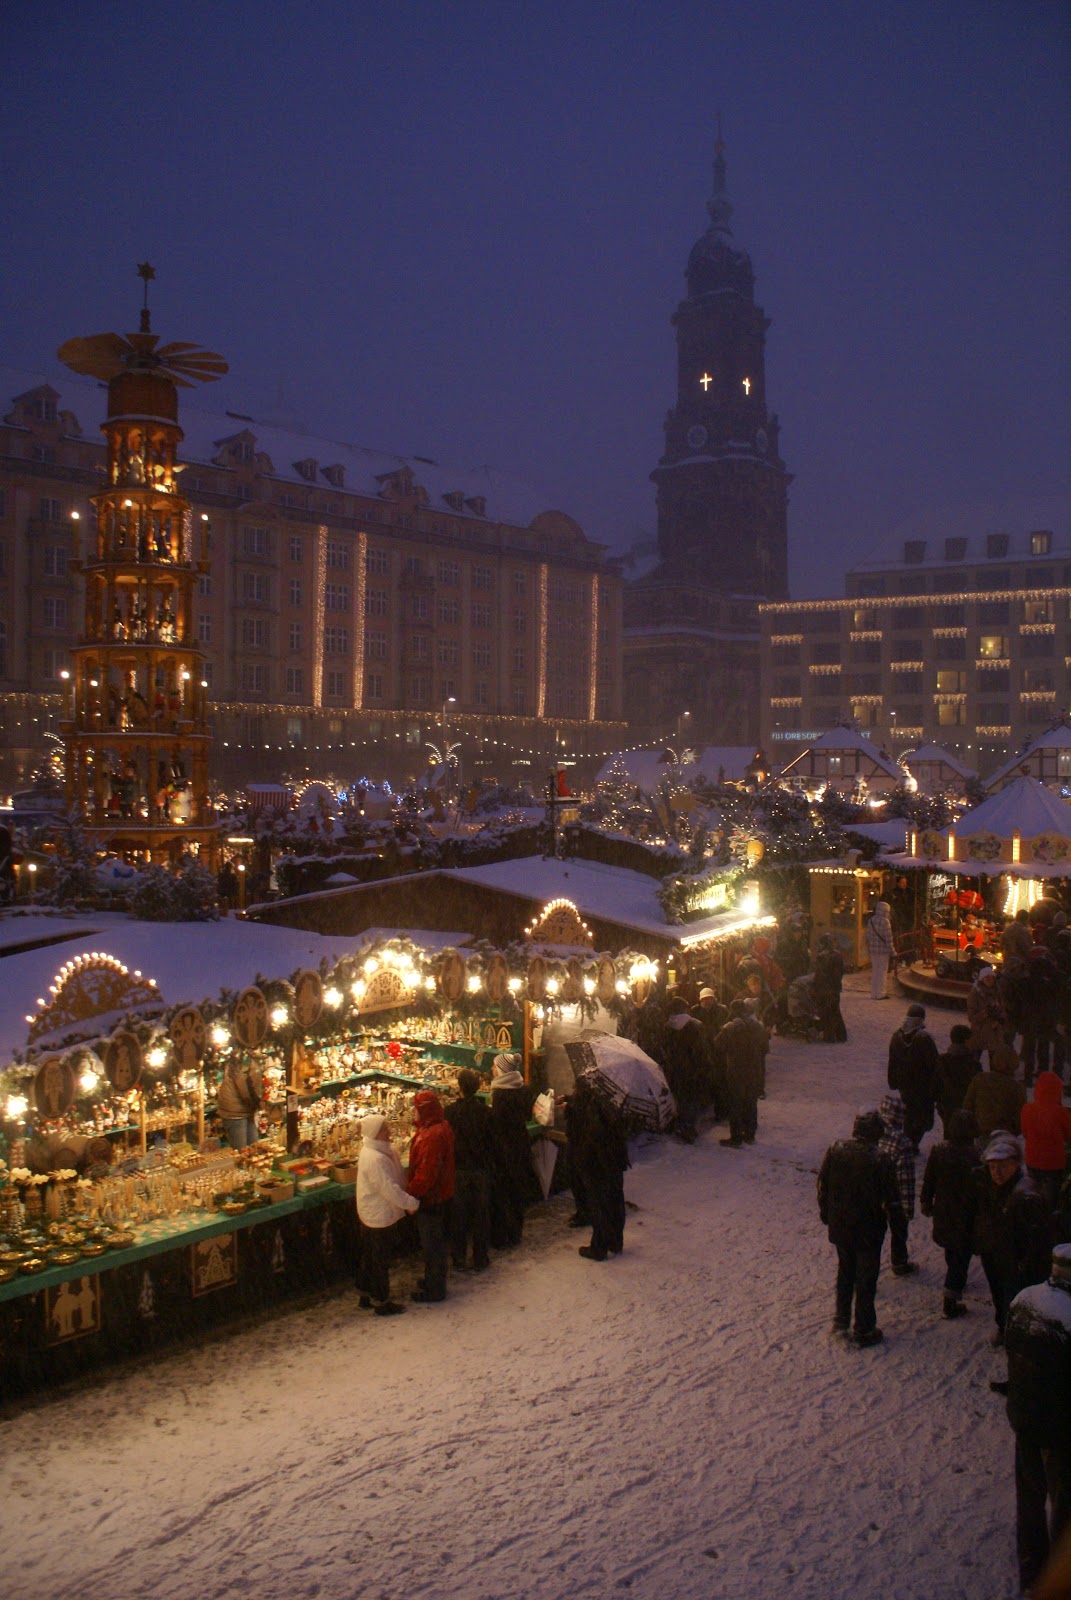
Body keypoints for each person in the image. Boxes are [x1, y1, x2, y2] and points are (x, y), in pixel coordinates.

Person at [1003, 1243, 1071, 1597]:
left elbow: (1010, 1348)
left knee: (1029, 1501)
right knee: (1064, 1510)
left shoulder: (1024, 1301)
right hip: (1062, 1436)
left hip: (1025, 1423)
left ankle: (1031, 1573)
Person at [817, 1108, 900, 1346]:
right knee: (866, 1278)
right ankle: (863, 1327)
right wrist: (897, 1229)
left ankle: (841, 1321)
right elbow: (892, 1199)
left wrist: (827, 1214)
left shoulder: (837, 1150)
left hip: (841, 1226)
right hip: (868, 1230)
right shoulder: (880, 1159)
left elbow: (823, 1184)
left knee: (845, 1272)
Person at [973, 1131, 1052, 1344]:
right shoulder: (987, 1186)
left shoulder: (1025, 1196)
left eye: (1003, 1166)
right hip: (994, 1252)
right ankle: (1004, 1327)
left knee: (1015, 1299)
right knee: (999, 1295)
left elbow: (1037, 1240)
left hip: (1014, 1260)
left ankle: (1016, 1338)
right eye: (992, 1167)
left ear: (1016, 1164)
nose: (996, 1172)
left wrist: (1024, 1265)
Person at [355, 1113, 419, 1316]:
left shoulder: (384, 1152)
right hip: (378, 1214)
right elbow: (388, 1188)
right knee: (379, 1260)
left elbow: (396, 1180)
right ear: (375, 1133)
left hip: (376, 1211)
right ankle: (381, 1300)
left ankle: (365, 1293)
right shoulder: (375, 1158)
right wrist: (410, 1203)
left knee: (371, 1257)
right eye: (384, 1129)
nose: (389, 1131)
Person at [920, 1108, 981, 1319]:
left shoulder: (939, 1151)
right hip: (966, 1214)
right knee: (961, 1253)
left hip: (945, 1211)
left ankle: (956, 1281)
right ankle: (951, 1297)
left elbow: (929, 1180)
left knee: (952, 1248)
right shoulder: (976, 1156)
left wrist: (926, 1201)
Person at [567, 1074, 629, 1261]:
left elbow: (581, 1131)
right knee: (614, 1198)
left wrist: (570, 1109)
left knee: (598, 1202)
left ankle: (599, 1247)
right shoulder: (611, 1098)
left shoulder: (589, 1107)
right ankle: (615, 1241)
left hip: (596, 1161)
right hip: (614, 1158)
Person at [405, 1089, 455, 1303]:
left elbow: (427, 1173)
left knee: (432, 1244)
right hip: (441, 1194)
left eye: (416, 1109)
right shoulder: (437, 1128)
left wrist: (411, 1195)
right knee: (435, 1243)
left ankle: (435, 1288)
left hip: (431, 1198)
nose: (413, 1113)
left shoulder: (431, 1136)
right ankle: (432, 1279)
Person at [444, 1068, 494, 1271]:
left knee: (459, 1216)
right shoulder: (485, 1112)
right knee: (481, 1215)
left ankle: (458, 1257)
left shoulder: (450, 1112)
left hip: (459, 1169)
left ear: (460, 1088)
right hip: (480, 1169)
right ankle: (480, 1257)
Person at [488, 1052, 535, 1248]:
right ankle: (515, 1232)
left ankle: (501, 1236)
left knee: (503, 1193)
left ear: (501, 1070)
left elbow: (497, 1125)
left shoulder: (500, 1094)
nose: (491, 1070)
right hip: (521, 1146)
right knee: (517, 1193)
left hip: (505, 1150)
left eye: (494, 1066)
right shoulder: (523, 1089)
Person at [887, 1003, 939, 1149]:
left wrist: (893, 1080)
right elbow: (934, 1064)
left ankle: (909, 1141)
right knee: (922, 1116)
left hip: (904, 1084)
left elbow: (893, 1060)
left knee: (909, 1113)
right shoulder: (925, 1038)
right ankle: (912, 1143)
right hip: (922, 1086)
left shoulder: (896, 1036)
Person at [878, 1091, 918, 1276]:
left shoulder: (871, 1132)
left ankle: (865, 1270)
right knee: (898, 1230)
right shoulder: (902, 1142)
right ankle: (899, 1262)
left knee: (871, 1235)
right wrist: (908, 1209)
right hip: (893, 1198)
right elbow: (906, 1179)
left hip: (872, 1195)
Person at [716, 999, 766, 1147]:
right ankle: (750, 1134)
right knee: (751, 1102)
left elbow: (718, 1046)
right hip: (754, 1070)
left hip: (736, 1071)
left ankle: (736, 1137)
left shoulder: (729, 1028)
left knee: (735, 1103)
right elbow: (765, 1048)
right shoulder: (758, 1026)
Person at [1021, 1070, 1071, 1215]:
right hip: (1054, 1164)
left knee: (1032, 1197)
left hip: (1032, 1160)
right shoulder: (1061, 1112)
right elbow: (1069, 1135)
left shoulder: (1027, 1109)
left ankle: (1033, 1221)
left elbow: (1025, 1133)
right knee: (1050, 1202)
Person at [662, 997, 708, 1142]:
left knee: (679, 1097)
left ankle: (680, 1124)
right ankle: (688, 1128)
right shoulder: (695, 1025)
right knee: (691, 1099)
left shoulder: (667, 1026)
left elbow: (665, 1048)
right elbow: (701, 1050)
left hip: (673, 1069)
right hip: (691, 1069)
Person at [1021, 947, 1066, 1088]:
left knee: (1032, 1047)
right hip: (1049, 1015)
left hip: (1033, 1015)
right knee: (1046, 1045)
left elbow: (1026, 995)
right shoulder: (1057, 976)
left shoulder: (1032, 976)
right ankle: (1048, 1073)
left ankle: (1031, 1075)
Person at [963, 1043, 1027, 1141]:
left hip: (981, 1132)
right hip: (1005, 1135)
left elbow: (968, 1105)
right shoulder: (1017, 1087)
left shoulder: (980, 1079)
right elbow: (1020, 1118)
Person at [934, 1024, 982, 1136]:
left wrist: (938, 1102)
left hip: (946, 1105)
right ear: (966, 1041)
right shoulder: (973, 1064)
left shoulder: (942, 1060)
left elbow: (935, 1085)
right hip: (967, 1107)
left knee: (949, 1133)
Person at [216, 1056, 262, 1149]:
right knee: (241, 1151)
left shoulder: (246, 1061)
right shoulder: (243, 1062)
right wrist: (258, 1103)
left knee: (254, 1148)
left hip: (244, 1109)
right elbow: (245, 1090)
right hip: (234, 1112)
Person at [967, 965, 1007, 1066]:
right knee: (974, 1061)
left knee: (995, 1062)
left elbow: (1003, 1008)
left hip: (994, 1032)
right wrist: (985, 1013)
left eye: (991, 977)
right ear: (982, 979)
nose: (989, 980)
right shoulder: (975, 993)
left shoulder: (997, 991)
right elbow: (971, 1017)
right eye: (986, 977)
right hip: (979, 1032)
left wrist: (1000, 1018)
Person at [813, 933, 847, 1043]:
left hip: (824, 988)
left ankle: (830, 1036)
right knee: (835, 1011)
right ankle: (841, 1035)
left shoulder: (822, 956)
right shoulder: (836, 955)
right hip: (834, 988)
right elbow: (839, 973)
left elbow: (819, 974)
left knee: (827, 1012)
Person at [865, 900, 895, 1000]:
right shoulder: (885, 922)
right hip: (883, 951)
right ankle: (881, 993)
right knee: (882, 972)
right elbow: (888, 939)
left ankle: (873, 993)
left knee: (875, 972)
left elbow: (868, 936)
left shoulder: (871, 920)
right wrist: (893, 951)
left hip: (873, 951)